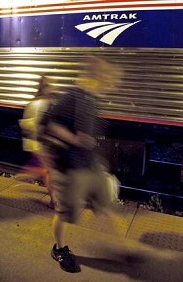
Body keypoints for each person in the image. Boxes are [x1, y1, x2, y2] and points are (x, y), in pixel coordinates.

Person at [37, 57, 121, 273]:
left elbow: (90, 137)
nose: (110, 82)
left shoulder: (92, 99)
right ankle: (59, 249)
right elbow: (46, 123)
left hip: (89, 166)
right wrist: (74, 140)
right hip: (70, 168)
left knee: (104, 203)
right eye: (106, 77)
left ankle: (118, 248)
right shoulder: (72, 95)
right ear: (95, 75)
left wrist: (97, 161)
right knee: (65, 213)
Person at [19, 75, 57, 207]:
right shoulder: (48, 104)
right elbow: (50, 125)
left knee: (46, 171)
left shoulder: (32, 103)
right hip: (44, 144)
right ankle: (54, 200)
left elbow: (25, 125)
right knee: (49, 172)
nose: (53, 88)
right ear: (45, 88)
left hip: (34, 143)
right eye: (51, 86)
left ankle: (27, 173)